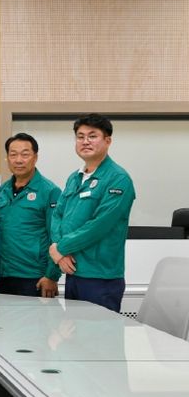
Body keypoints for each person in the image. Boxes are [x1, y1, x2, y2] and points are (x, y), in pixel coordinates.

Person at [50, 113, 135, 313]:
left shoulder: (118, 178)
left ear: (108, 140)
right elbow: (58, 216)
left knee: (99, 332)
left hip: (100, 277)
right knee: (73, 331)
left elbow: (100, 225)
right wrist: (58, 251)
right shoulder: (75, 177)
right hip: (73, 272)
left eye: (92, 136)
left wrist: (60, 248)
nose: (85, 141)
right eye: (80, 137)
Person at [0, 133, 62, 298]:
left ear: (35, 157)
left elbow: (57, 237)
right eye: (13, 154)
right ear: (7, 158)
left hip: (34, 277)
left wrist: (51, 275)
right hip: (2, 274)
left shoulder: (50, 191)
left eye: (25, 154)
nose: (18, 160)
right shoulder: (3, 190)